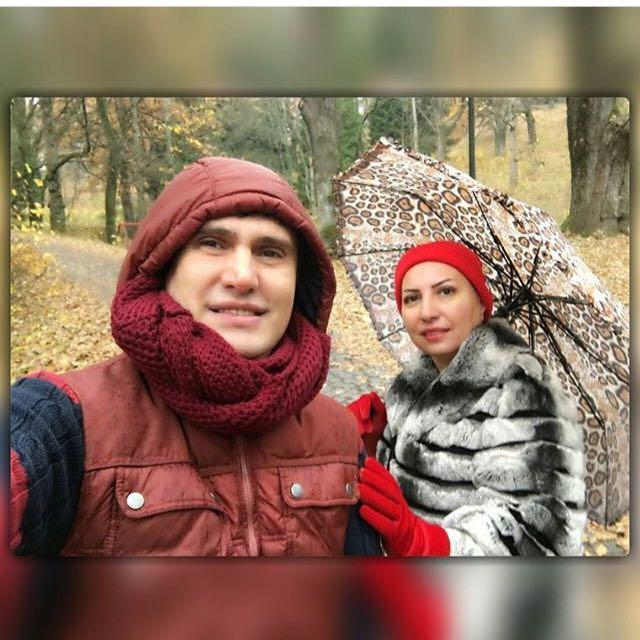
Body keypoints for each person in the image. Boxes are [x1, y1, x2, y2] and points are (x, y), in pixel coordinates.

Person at [10, 156, 379, 557]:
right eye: (212, 244)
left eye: (270, 252)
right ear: (163, 267)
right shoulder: (66, 421)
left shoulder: (341, 436)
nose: (243, 277)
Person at [350, 240, 587, 556]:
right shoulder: (408, 387)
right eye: (412, 298)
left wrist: (428, 543)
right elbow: (391, 500)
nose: (427, 312)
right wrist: (368, 447)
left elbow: (536, 529)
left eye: (446, 292)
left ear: (481, 304)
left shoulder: (521, 390)